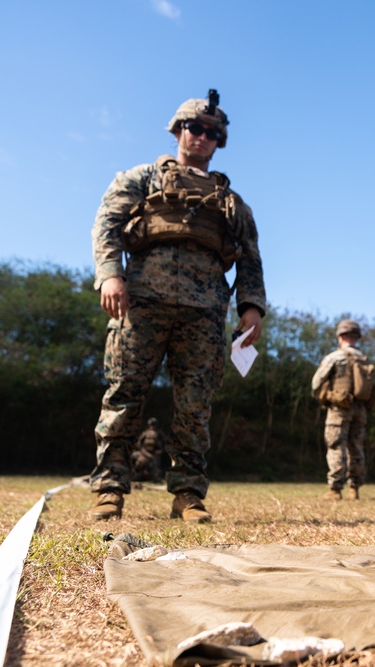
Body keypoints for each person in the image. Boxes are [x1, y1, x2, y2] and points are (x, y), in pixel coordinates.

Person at [89, 90, 266, 523]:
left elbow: (250, 257)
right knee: (124, 395)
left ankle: (187, 494)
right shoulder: (141, 179)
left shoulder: (232, 202)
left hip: (205, 312)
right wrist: (111, 273)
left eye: (211, 132)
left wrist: (252, 307)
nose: (202, 137)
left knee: (195, 406)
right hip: (142, 301)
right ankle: (109, 489)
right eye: (194, 128)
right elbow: (108, 222)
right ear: (177, 131)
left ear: (218, 141)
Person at [311, 319, 374, 500]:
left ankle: (335, 489)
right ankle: (355, 489)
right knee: (356, 447)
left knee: (336, 445)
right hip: (360, 410)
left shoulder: (334, 357)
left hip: (339, 408)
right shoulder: (364, 359)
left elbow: (316, 383)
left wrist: (327, 394)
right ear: (356, 337)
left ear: (341, 336)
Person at [131, 417, 165, 483]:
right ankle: (133, 474)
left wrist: (161, 450)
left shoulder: (159, 433)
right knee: (135, 458)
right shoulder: (145, 433)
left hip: (154, 453)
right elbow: (139, 443)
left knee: (155, 466)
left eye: (154, 425)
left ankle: (155, 478)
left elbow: (164, 443)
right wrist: (142, 451)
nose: (152, 426)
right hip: (144, 452)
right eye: (151, 425)